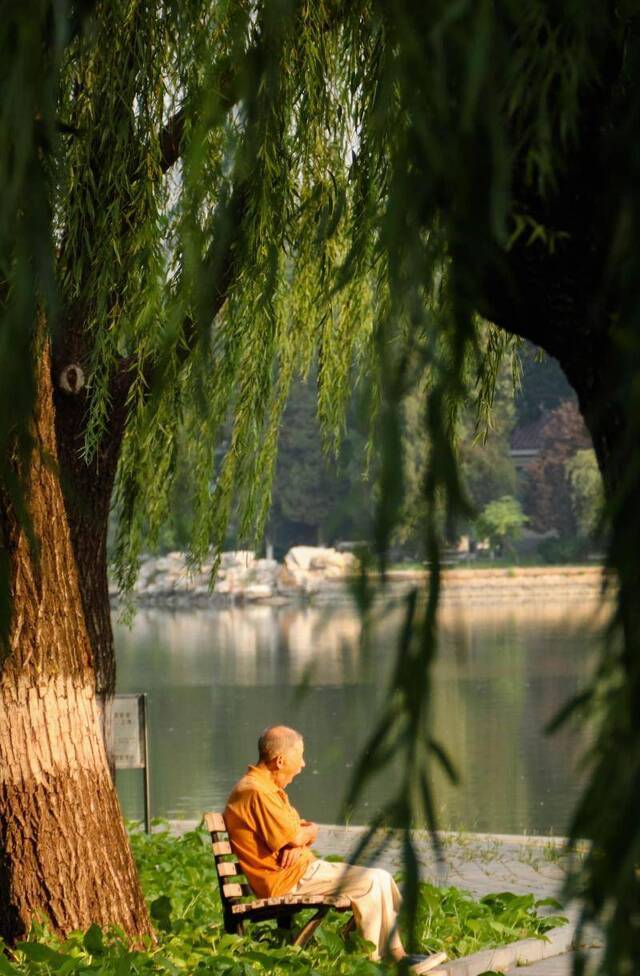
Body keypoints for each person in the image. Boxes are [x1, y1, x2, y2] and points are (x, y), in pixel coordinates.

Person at [223, 725, 447, 975]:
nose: (304, 764)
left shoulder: (266, 788)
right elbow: (295, 833)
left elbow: (301, 830)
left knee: (381, 877)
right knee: (372, 880)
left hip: (301, 871)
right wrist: (299, 839)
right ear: (280, 760)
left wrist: (302, 839)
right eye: (301, 757)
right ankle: (375, 960)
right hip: (288, 880)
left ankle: (396, 955)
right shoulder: (256, 791)